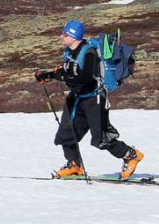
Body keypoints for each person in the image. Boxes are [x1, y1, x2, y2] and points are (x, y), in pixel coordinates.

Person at [35, 19, 143, 179]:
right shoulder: (69, 52)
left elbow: (86, 78)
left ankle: (131, 155)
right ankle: (74, 164)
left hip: (95, 99)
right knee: (66, 134)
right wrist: (48, 75)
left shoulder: (89, 52)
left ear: (74, 36)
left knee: (101, 139)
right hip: (77, 98)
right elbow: (67, 71)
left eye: (64, 34)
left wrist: (67, 79)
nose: (61, 37)